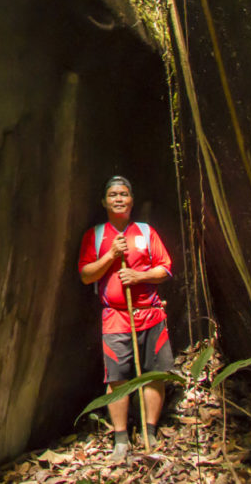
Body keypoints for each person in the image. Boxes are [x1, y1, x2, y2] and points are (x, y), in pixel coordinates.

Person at [78, 175, 174, 461]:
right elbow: (86, 275)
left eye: (123, 194)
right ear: (104, 202)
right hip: (115, 318)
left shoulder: (145, 232)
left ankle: (150, 431)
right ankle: (121, 439)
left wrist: (139, 275)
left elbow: (165, 269)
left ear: (132, 200)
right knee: (117, 377)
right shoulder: (95, 235)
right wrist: (111, 255)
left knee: (154, 374)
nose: (118, 198)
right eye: (113, 195)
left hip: (150, 314)